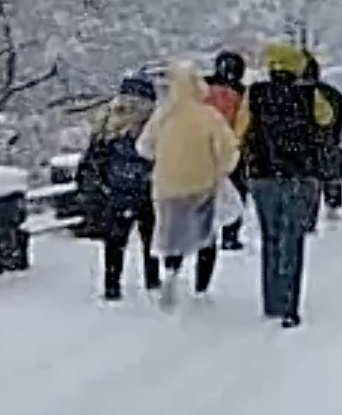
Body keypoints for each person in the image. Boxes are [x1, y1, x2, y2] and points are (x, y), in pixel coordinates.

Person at [135, 59, 241, 310]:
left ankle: (170, 275)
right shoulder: (209, 116)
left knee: (172, 234)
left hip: (166, 186)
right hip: (201, 183)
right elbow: (228, 151)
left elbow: (143, 147)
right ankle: (201, 288)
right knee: (205, 235)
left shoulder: (162, 116)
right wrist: (222, 169)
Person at [243, 42, 333, 327]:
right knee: (291, 239)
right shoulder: (310, 95)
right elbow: (326, 120)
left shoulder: (255, 94)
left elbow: (239, 128)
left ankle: (271, 300)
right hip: (299, 176)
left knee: (270, 237)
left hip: (263, 176)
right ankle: (289, 305)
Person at [75, 76, 158, 300]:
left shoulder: (107, 121)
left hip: (116, 191)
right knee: (151, 238)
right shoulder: (153, 123)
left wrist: (100, 184)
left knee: (114, 241)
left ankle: (112, 285)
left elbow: (93, 157)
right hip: (147, 190)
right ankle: (153, 282)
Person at [203, 51, 251, 250]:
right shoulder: (241, 93)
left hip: (204, 147)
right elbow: (244, 119)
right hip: (231, 148)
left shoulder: (203, 88)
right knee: (236, 191)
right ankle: (230, 233)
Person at [303, 55, 342, 222]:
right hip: (328, 141)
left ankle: (309, 216)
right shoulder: (330, 92)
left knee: (308, 179)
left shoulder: (288, 93)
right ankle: (332, 204)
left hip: (301, 144)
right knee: (329, 175)